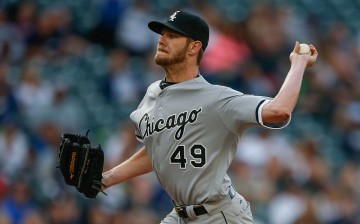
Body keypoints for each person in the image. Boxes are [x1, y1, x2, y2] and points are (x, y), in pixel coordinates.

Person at [101, 10, 318, 223]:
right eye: (162, 35)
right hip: (180, 215)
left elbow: (280, 109)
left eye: (173, 36)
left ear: (194, 47)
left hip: (218, 215)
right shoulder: (152, 94)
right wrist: (107, 179)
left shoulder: (217, 99)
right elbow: (157, 149)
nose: (162, 40)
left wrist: (298, 64)